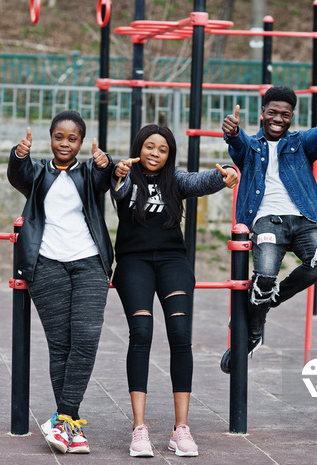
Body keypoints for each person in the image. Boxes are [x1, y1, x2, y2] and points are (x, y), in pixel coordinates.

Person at [111, 124, 239, 458]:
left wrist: (224, 176)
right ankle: (139, 428)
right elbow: (115, 183)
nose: (155, 153)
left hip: (172, 261)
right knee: (141, 333)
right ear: (139, 147)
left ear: (170, 154)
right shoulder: (124, 175)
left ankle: (180, 428)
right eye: (149, 147)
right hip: (133, 262)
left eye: (162, 149)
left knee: (180, 334)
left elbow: (199, 181)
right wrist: (116, 170)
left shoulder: (175, 180)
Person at [7, 111, 114, 455]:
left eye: (72, 139)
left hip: (90, 263)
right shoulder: (38, 172)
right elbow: (18, 174)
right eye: (58, 137)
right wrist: (19, 154)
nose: (64, 143)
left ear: (81, 143)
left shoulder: (87, 172)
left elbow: (103, 179)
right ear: (50, 138)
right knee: (61, 345)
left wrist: (104, 163)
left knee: (85, 338)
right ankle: (73, 428)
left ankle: (64, 418)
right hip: (46, 263)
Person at [221, 86, 317, 357]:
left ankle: (265, 303)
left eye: (285, 115)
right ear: (262, 113)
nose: (278, 118)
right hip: (267, 221)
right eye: (273, 112)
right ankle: (252, 336)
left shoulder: (300, 143)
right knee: (263, 279)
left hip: (304, 220)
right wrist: (231, 131)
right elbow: (237, 142)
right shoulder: (250, 147)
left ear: (291, 117)